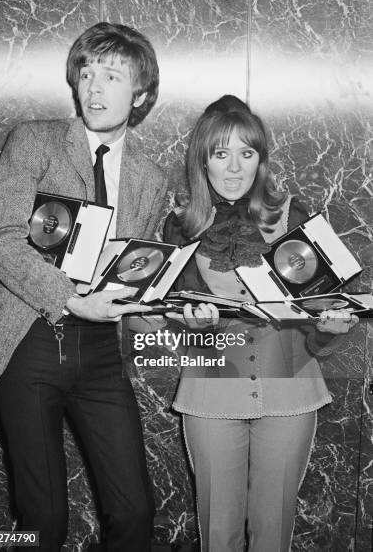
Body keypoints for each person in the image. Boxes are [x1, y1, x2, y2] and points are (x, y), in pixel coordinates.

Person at [0, 22, 168, 552]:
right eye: (86, 73)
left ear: (142, 93)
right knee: (43, 521)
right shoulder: (35, 140)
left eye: (112, 75)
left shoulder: (151, 177)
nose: (95, 87)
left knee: (134, 511)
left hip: (102, 353)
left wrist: (146, 283)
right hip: (29, 342)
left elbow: (135, 266)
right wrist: (70, 296)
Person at [163, 95, 358, 552]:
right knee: (218, 533)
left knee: (274, 534)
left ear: (261, 160)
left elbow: (325, 315)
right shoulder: (179, 225)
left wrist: (331, 326)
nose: (234, 168)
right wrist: (192, 327)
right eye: (220, 153)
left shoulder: (297, 214)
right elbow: (172, 318)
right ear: (202, 161)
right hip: (211, 392)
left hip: (291, 394)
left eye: (246, 153)